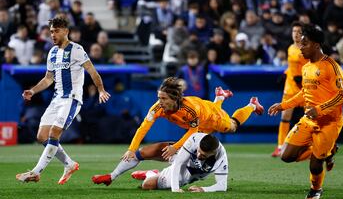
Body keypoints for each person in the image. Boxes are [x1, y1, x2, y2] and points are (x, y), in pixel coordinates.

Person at [92, 77, 264, 186]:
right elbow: (143, 127)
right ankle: (111, 176)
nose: (160, 101)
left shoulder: (190, 110)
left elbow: (193, 132)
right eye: (159, 97)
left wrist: (176, 147)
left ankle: (251, 105)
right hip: (202, 120)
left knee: (233, 126)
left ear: (174, 99)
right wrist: (131, 148)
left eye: (163, 98)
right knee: (143, 151)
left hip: (213, 118)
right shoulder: (157, 108)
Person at [15, 16, 110, 184]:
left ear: (66, 31)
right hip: (56, 99)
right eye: (51, 31)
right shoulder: (52, 53)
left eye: (56, 31)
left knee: (54, 133)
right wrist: (33, 90)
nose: (53, 35)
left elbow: (93, 72)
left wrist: (101, 90)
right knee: (42, 135)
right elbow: (48, 78)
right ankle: (69, 164)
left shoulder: (77, 49)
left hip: (71, 99)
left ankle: (36, 172)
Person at [268, 24, 343, 199]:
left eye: (304, 44)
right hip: (309, 119)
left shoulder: (331, 67)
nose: (300, 48)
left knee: (315, 163)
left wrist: (319, 109)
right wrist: (283, 105)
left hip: (329, 122)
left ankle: (315, 189)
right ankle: (328, 151)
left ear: (316, 45)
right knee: (286, 156)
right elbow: (304, 93)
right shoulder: (306, 67)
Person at [132, 133, 228, 192]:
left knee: (151, 183)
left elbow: (222, 186)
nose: (199, 155)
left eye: (203, 155)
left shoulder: (221, 158)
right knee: (148, 185)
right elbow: (178, 164)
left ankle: (156, 173)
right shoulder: (195, 139)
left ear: (213, 153)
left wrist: (203, 189)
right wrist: (175, 188)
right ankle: (150, 174)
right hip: (184, 161)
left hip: (196, 173)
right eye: (199, 151)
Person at [272, 21, 308, 157]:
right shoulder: (290, 48)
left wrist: (303, 79)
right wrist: (286, 73)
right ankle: (280, 147)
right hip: (290, 88)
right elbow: (292, 67)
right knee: (285, 117)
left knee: (309, 118)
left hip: (305, 89)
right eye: (294, 32)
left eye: (299, 32)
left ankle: (309, 146)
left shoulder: (307, 48)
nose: (296, 34)